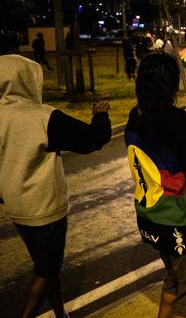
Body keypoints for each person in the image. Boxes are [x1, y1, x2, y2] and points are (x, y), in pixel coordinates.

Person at [0, 55, 111, 318]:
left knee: (48, 265)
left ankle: (61, 313)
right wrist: (101, 116)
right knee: (46, 269)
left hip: (16, 206)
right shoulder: (43, 117)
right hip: (45, 207)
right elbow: (91, 140)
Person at [124, 52, 186, 318]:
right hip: (181, 222)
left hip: (152, 217)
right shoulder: (178, 123)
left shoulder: (136, 116)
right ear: (171, 85)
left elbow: (161, 139)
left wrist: (183, 120)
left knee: (174, 279)